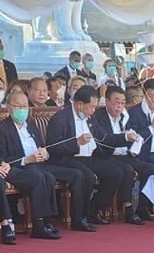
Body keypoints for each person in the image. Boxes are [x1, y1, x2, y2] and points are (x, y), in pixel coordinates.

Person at [0, 89, 96, 232]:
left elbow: (43, 146)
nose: (22, 110)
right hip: (22, 167)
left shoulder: (30, 125)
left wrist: (45, 153)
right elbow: (2, 158)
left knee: (77, 174)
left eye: (25, 106)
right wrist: (26, 160)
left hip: (41, 163)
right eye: (18, 106)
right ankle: (42, 223)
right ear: (9, 108)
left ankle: (78, 218)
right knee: (44, 177)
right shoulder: (2, 129)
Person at [0, 92, 59, 243]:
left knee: (42, 176)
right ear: (9, 107)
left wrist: (1, 163)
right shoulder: (2, 129)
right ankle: (7, 224)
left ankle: (42, 222)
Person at [46, 85, 123, 225]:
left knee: (115, 172)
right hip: (67, 159)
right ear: (80, 104)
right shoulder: (60, 118)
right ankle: (79, 217)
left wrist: (125, 138)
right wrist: (76, 142)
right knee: (86, 176)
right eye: (91, 107)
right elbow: (52, 147)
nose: (93, 111)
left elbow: (104, 138)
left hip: (89, 157)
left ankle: (93, 210)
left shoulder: (90, 118)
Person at [91, 85, 154, 223]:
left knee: (150, 168)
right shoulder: (98, 117)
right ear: (107, 101)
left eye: (122, 103)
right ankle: (127, 208)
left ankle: (142, 207)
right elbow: (105, 140)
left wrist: (134, 140)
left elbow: (133, 135)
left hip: (124, 155)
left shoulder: (125, 117)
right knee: (126, 170)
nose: (119, 106)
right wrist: (125, 137)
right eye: (116, 102)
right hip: (106, 156)